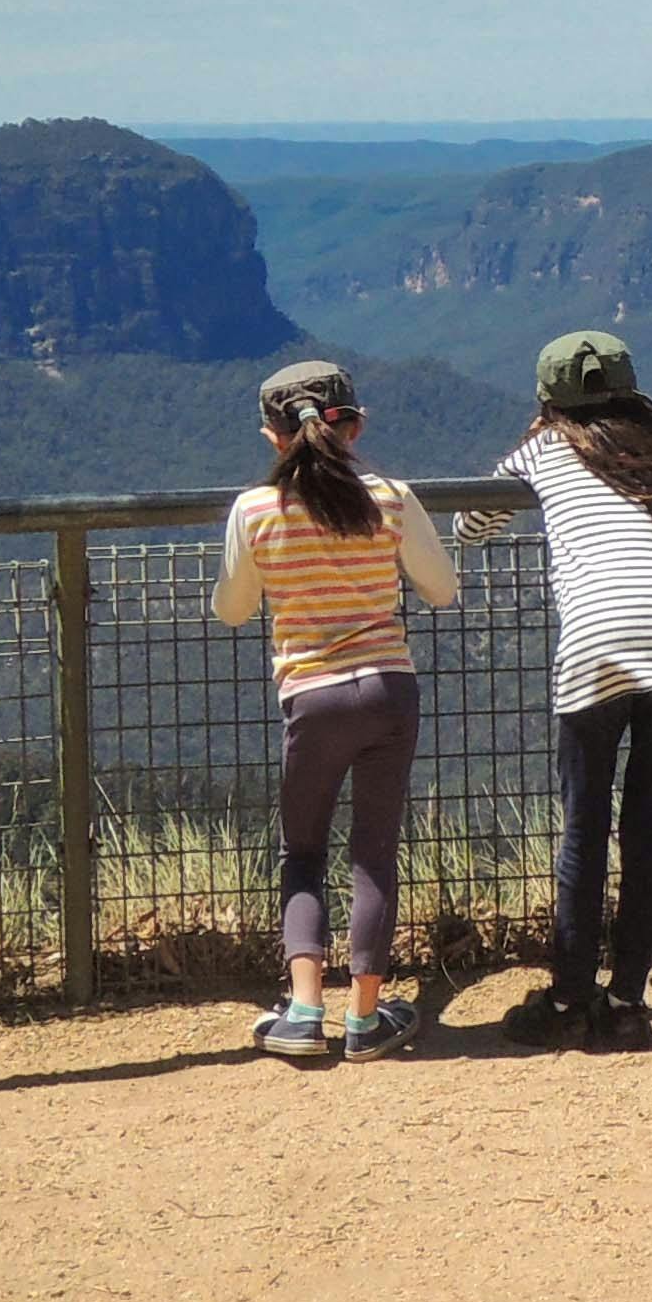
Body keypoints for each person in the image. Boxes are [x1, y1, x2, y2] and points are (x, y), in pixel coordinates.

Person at [455, 329, 652, 1045]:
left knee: (584, 832)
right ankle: (628, 1003)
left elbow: (472, 524)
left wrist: (530, 446)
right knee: (647, 832)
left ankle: (570, 999)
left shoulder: (541, 451)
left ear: (549, 398)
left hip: (597, 645)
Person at [212, 359, 458, 1063]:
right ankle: (365, 1018)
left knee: (304, 850)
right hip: (388, 689)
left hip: (310, 697)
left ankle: (301, 1011)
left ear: (272, 437)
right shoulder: (390, 496)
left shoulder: (255, 510)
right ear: (353, 427)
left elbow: (232, 610)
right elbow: (441, 590)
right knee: (375, 853)